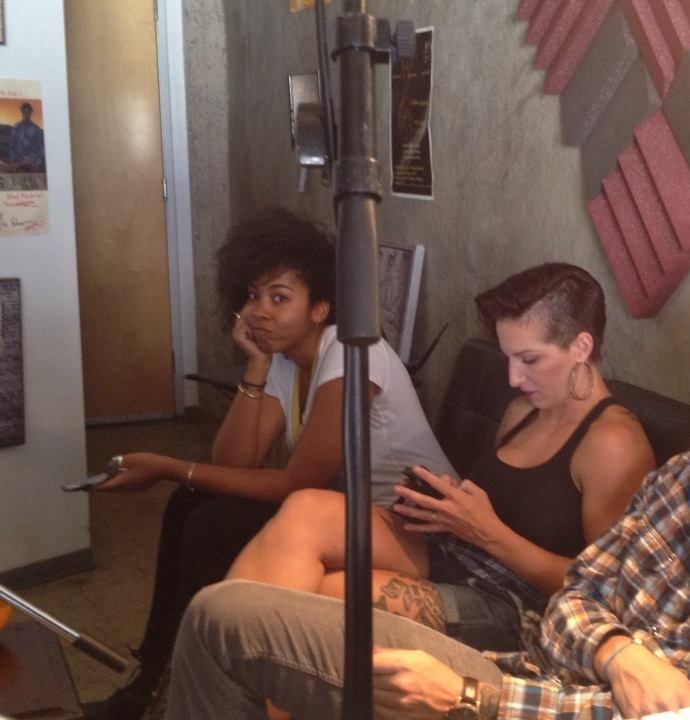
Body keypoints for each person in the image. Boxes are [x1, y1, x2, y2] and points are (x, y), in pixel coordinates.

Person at [162, 285, 690, 720]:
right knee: (225, 612)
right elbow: (577, 596)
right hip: (524, 667)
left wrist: (471, 698)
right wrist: (618, 650)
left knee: (277, 611)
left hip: (510, 697)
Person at [83, 206, 457, 720]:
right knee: (190, 503)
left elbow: (294, 483)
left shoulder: (353, 355)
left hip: (420, 531)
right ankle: (155, 676)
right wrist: (256, 366)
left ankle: (187, 680)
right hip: (346, 517)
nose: (259, 311)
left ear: (320, 308)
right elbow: (234, 461)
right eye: (254, 296)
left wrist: (168, 465)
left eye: (280, 298)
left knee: (212, 522)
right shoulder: (287, 359)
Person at [226, 262, 656, 654]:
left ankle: (245, 682)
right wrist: (446, 502)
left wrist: (489, 533)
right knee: (303, 509)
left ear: (581, 346)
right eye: (508, 358)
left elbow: (610, 589)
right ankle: (224, 662)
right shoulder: (525, 410)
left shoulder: (613, 442)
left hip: (521, 605)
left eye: (529, 359)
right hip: (460, 551)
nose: (513, 377)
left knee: (325, 595)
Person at [8, 102, 45, 173]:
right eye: (24, 112)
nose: (26, 114)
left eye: (28, 112)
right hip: (18, 164)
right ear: (22, 113)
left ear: (31, 113)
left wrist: (37, 164)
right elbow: (12, 146)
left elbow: (40, 148)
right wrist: (13, 162)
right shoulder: (17, 128)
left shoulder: (36, 129)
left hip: (32, 164)